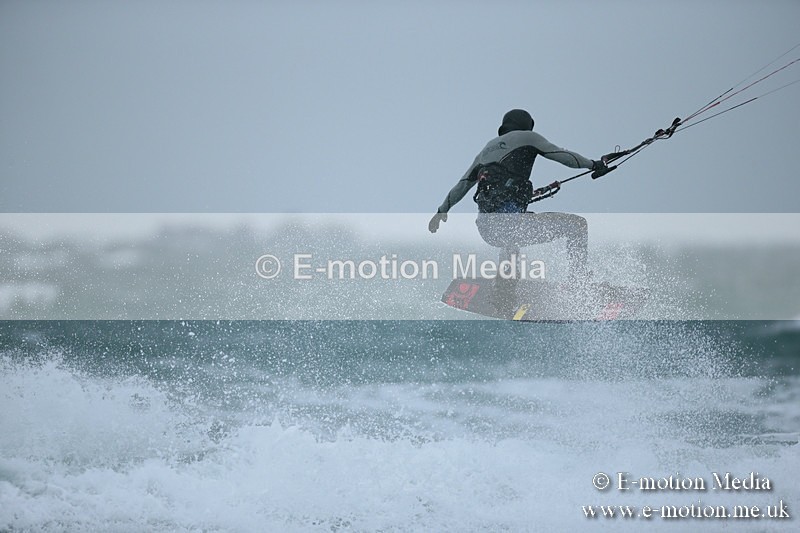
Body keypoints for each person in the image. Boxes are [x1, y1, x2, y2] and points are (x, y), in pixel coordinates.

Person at [428, 109, 609, 282]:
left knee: (511, 239)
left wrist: (441, 211)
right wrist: (593, 164)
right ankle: (578, 280)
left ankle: (505, 287)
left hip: (487, 229)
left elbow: (461, 186)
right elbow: (563, 155)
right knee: (576, 225)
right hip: (512, 226)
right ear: (527, 125)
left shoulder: (485, 151)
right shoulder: (527, 137)